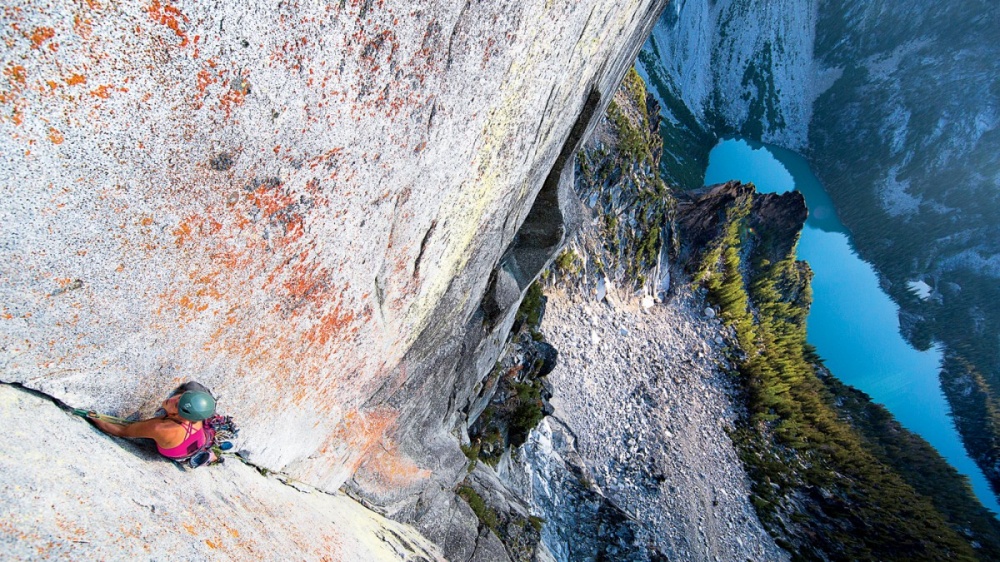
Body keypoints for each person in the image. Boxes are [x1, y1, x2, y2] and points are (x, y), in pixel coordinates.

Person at [89, 383, 217, 462]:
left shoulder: (160, 428)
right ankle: (210, 454)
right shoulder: (197, 413)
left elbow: (122, 431)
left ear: (179, 414)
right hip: (201, 438)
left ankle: (209, 457)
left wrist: (94, 418)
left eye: (176, 404)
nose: (171, 399)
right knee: (193, 386)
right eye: (180, 397)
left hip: (181, 453)